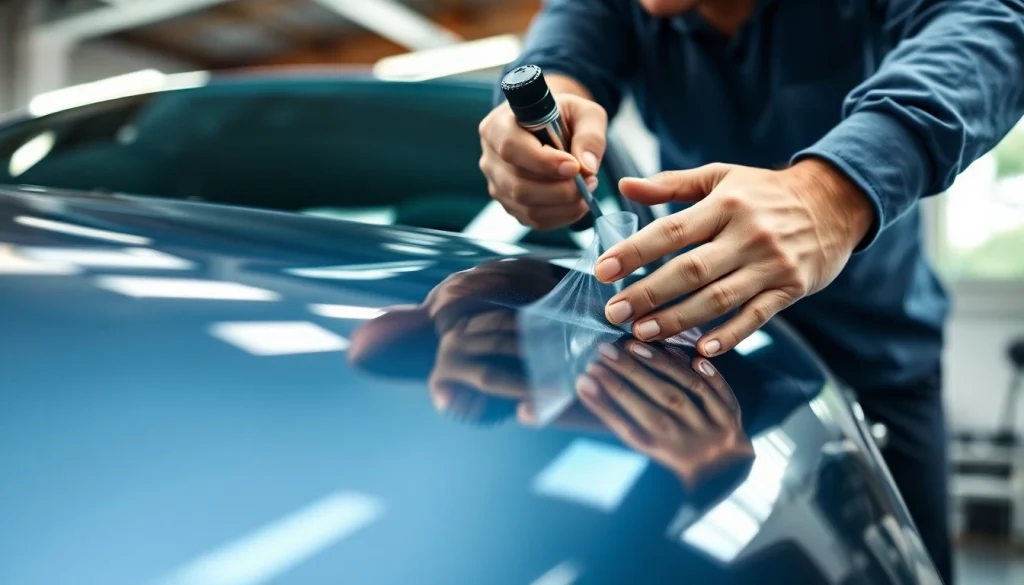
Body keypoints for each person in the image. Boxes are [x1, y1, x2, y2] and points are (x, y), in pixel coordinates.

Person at [477, 0, 1024, 581]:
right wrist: (535, 139)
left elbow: (995, 22)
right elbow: (561, 55)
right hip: (709, 366)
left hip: (881, 363)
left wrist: (832, 192)